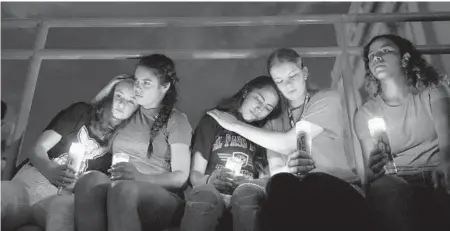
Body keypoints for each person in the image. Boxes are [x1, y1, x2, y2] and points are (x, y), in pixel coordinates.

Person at [208, 48, 369, 231]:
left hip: (338, 186)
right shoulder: (274, 123)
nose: (289, 85)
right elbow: (277, 171)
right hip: (298, 195)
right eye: (280, 81)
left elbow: (287, 143)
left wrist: (234, 125)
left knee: (314, 181)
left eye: (293, 75)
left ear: (305, 73)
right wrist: (289, 168)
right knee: (280, 184)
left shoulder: (326, 99)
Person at [72, 54, 193, 231]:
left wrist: (140, 177)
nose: (138, 87)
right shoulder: (129, 112)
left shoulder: (176, 120)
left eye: (146, 83)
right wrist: (110, 88)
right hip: (119, 184)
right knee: (89, 180)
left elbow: (180, 177)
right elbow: (90, 117)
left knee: (124, 189)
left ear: (165, 86)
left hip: (160, 195)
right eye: (136, 80)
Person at [4, 77, 138, 231]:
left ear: (137, 109)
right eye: (119, 96)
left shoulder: (122, 146)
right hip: (32, 180)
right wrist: (50, 169)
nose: (121, 104)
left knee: (63, 214)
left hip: (60, 198)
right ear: (110, 95)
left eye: (131, 101)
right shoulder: (82, 113)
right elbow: (37, 149)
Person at [354, 34, 450, 231]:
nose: (377, 58)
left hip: (438, 170)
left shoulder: (433, 92)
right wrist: (374, 165)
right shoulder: (366, 113)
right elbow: (372, 173)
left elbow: (447, 141)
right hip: (399, 178)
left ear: (405, 59)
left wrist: (445, 165)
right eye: (371, 56)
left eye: (385, 51)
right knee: (389, 190)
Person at [180, 75, 281, 231]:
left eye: (268, 108)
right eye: (258, 100)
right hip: (211, 186)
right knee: (204, 197)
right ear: (246, 91)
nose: (260, 109)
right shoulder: (215, 120)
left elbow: (267, 179)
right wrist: (210, 180)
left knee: (248, 196)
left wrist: (249, 183)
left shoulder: (265, 134)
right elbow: (195, 175)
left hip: (246, 188)